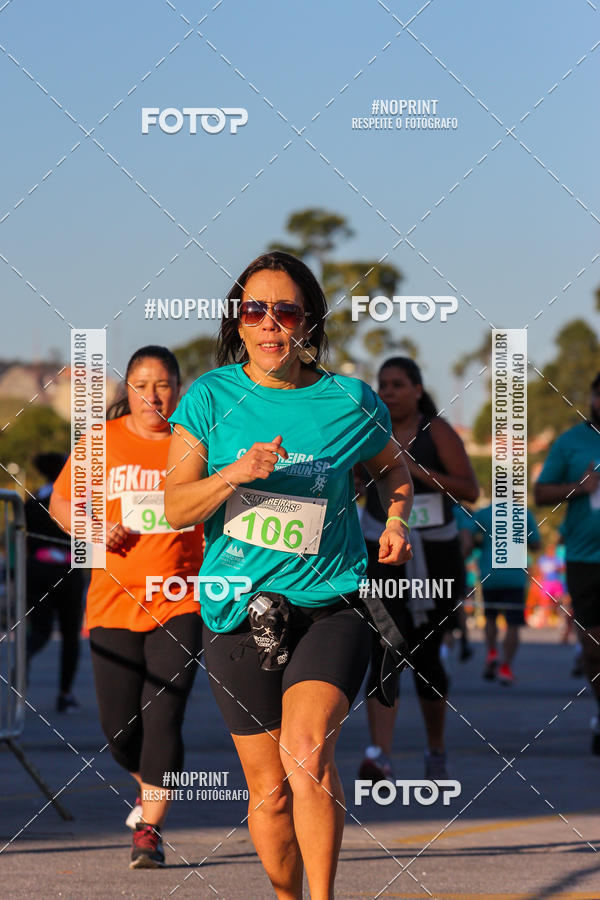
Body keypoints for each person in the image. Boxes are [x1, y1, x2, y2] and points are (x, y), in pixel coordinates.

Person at [164, 251, 413, 900]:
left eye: (286, 311)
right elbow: (175, 507)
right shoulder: (210, 398)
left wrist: (395, 519)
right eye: (255, 310)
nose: (270, 323)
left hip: (331, 603)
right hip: (236, 607)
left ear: (309, 322)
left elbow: (393, 466)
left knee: (307, 753)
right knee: (269, 790)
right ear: (238, 323)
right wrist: (233, 474)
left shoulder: (349, 400)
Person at [50, 346, 204, 868]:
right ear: (127, 390)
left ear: (178, 390)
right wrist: (92, 527)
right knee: (119, 732)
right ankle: (150, 787)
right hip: (112, 602)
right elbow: (62, 502)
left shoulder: (195, 442)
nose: (152, 395)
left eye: (162, 384)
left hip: (181, 600)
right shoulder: (101, 441)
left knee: (164, 716)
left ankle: (150, 831)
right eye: (141, 384)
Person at [356, 357, 478, 783]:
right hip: (381, 550)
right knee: (385, 646)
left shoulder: (436, 431)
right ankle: (380, 755)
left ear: (417, 390)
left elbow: (469, 489)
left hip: (436, 554)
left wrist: (411, 470)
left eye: (397, 384)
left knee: (427, 655)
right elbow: (352, 482)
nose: (388, 392)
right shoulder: (370, 430)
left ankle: (436, 749)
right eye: (383, 385)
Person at [534, 372, 600, 754]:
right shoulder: (571, 441)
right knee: (593, 649)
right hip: (584, 558)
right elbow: (541, 492)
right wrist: (579, 487)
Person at [25, 452, 85, 712]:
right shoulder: (74, 501)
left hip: (37, 570)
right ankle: (65, 693)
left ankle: (21, 666)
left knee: (40, 631)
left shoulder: (31, 501)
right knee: (70, 635)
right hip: (68, 571)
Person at [466, 504, 540, 684]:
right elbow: (536, 545)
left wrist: (482, 542)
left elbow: (468, 537)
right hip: (515, 576)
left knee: (490, 618)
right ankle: (506, 667)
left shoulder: (483, 514)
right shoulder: (524, 514)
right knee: (513, 624)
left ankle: (492, 652)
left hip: (490, 574)